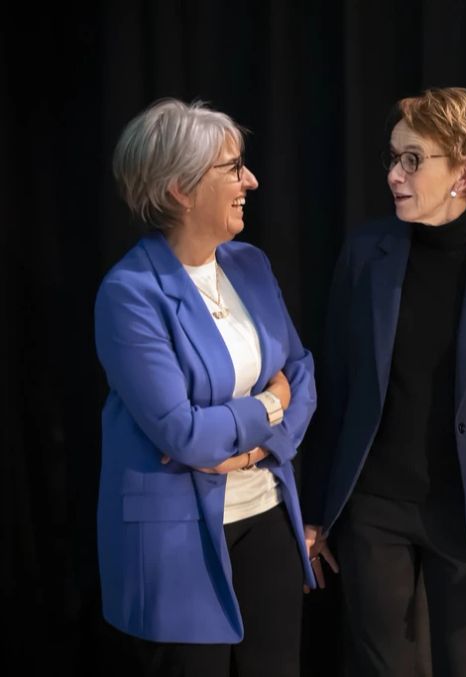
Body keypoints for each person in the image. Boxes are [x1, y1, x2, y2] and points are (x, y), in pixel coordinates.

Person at [302, 86, 466, 676]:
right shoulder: (365, 252)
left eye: (413, 159)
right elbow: (333, 389)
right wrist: (314, 511)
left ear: (463, 171)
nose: (395, 174)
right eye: (393, 158)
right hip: (374, 508)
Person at [95, 98, 316, 677]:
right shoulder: (130, 294)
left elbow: (303, 374)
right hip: (177, 538)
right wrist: (271, 405)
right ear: (180, 190)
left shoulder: (250, 265)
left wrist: (251, 449)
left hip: (265, 512)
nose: (251, 180)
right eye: (232, 168)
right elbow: (184, 432)